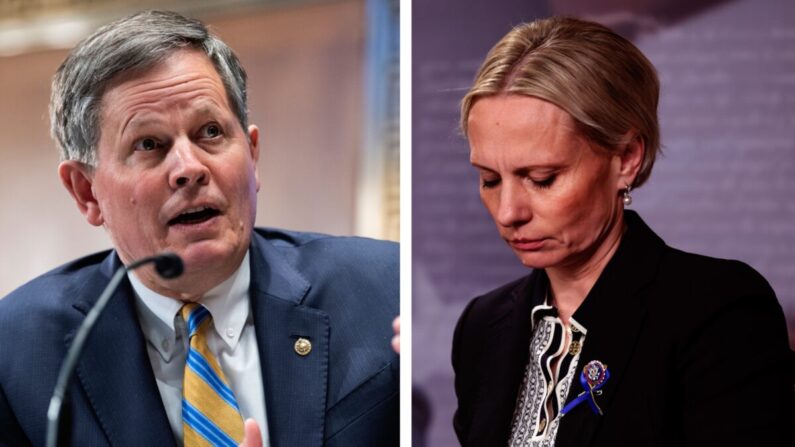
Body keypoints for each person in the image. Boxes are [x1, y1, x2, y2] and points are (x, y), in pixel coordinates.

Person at [0, 10, 398, 447]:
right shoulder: (17, 353)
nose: (189, 169)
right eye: (149, 144)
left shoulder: (383, 291)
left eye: (210, 132)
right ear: (86, 192)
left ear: (252, 154)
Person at [452, 16, 794, 446]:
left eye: (541, 178)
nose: (507, 212)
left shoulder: (718, 311)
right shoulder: (482, 325)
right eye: (489, 179)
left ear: (627, 158)